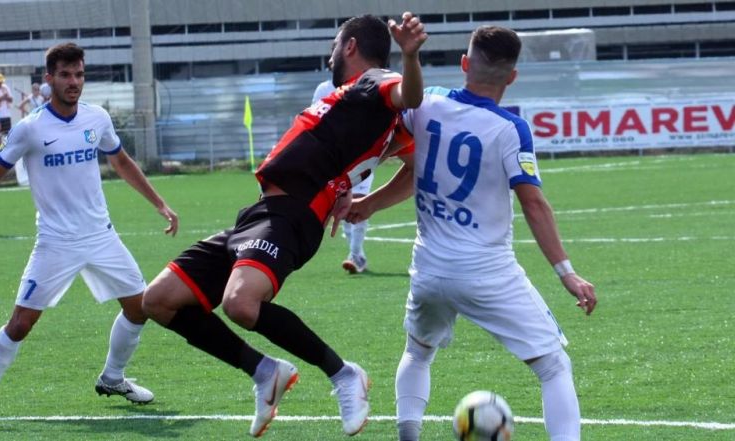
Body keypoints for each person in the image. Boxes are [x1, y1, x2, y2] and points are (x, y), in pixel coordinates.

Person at [141, 12, 426, 438]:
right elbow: (414, 165)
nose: (330, 54)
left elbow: (409, 97)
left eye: (334, 45)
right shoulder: (359, 104)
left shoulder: (375, 81)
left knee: (240, 303)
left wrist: (410, 56)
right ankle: (264, 371)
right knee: (158, 300)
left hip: (293, 215)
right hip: (260, 214)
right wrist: (366, 202)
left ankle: (343, 374)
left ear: (350, 46)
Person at [347, 26, 598, 441]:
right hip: (487, 272)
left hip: (429, 269)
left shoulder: (427, 104)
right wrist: (566, 272)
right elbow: (534, 204)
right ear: (512, 77)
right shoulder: (510, 129)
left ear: (465, 64)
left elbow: (410, 164)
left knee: (418, 352)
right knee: (553, 366)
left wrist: (367, 201)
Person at [0, 42, 180, 421]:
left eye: (79, 74)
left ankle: (113, 377)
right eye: (66, 75)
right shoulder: (30, 128)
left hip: (101, 236)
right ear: (49, 78)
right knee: (21, 324)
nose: (74, 82)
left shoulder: (97, 118)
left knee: (141, 308)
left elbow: (121, 161)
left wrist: (159, 203)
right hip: (55, 243)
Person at [311, 80, 374, 274]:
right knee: (341, 205)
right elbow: (314, 119)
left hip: (362, 155)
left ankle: (355, 255)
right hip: (334, 158)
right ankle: (357, 255)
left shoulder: (366, 84)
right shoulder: (323, 88)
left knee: (359, 201)